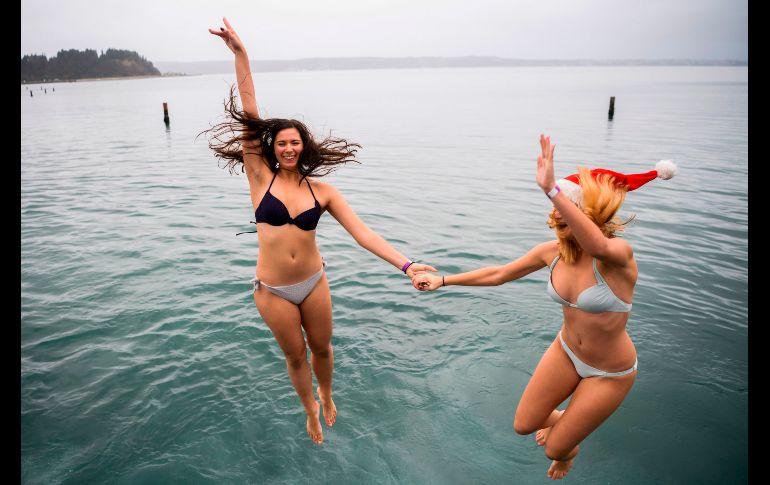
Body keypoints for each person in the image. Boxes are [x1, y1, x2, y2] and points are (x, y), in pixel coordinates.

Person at [204, 17, 437, 445]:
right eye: (281, 143)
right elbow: (251, 115)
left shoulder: (324, 191)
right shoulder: (259, 177)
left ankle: (327, 393)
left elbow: (363, 234)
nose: (288, 148)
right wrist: (241, 54)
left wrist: (405, 265)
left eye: (294, 142)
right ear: (271, 149)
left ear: (303, 146)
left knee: (323, 350)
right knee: (295, 357)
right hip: (272, 289)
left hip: (314, 283)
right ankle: (309, 408)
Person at [412, 135, 677, 479]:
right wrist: (443, 281)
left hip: (610, 373)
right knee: (524, 425)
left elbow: (595, 245)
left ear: (589, 213)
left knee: (555, 447)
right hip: (566, 350)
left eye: (567, 204)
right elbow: (499, 274)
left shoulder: (617, 256)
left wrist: (552, 188)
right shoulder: (552, 252)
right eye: (556, 204)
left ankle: (570, 448)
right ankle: (572, 420)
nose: (556, 211)